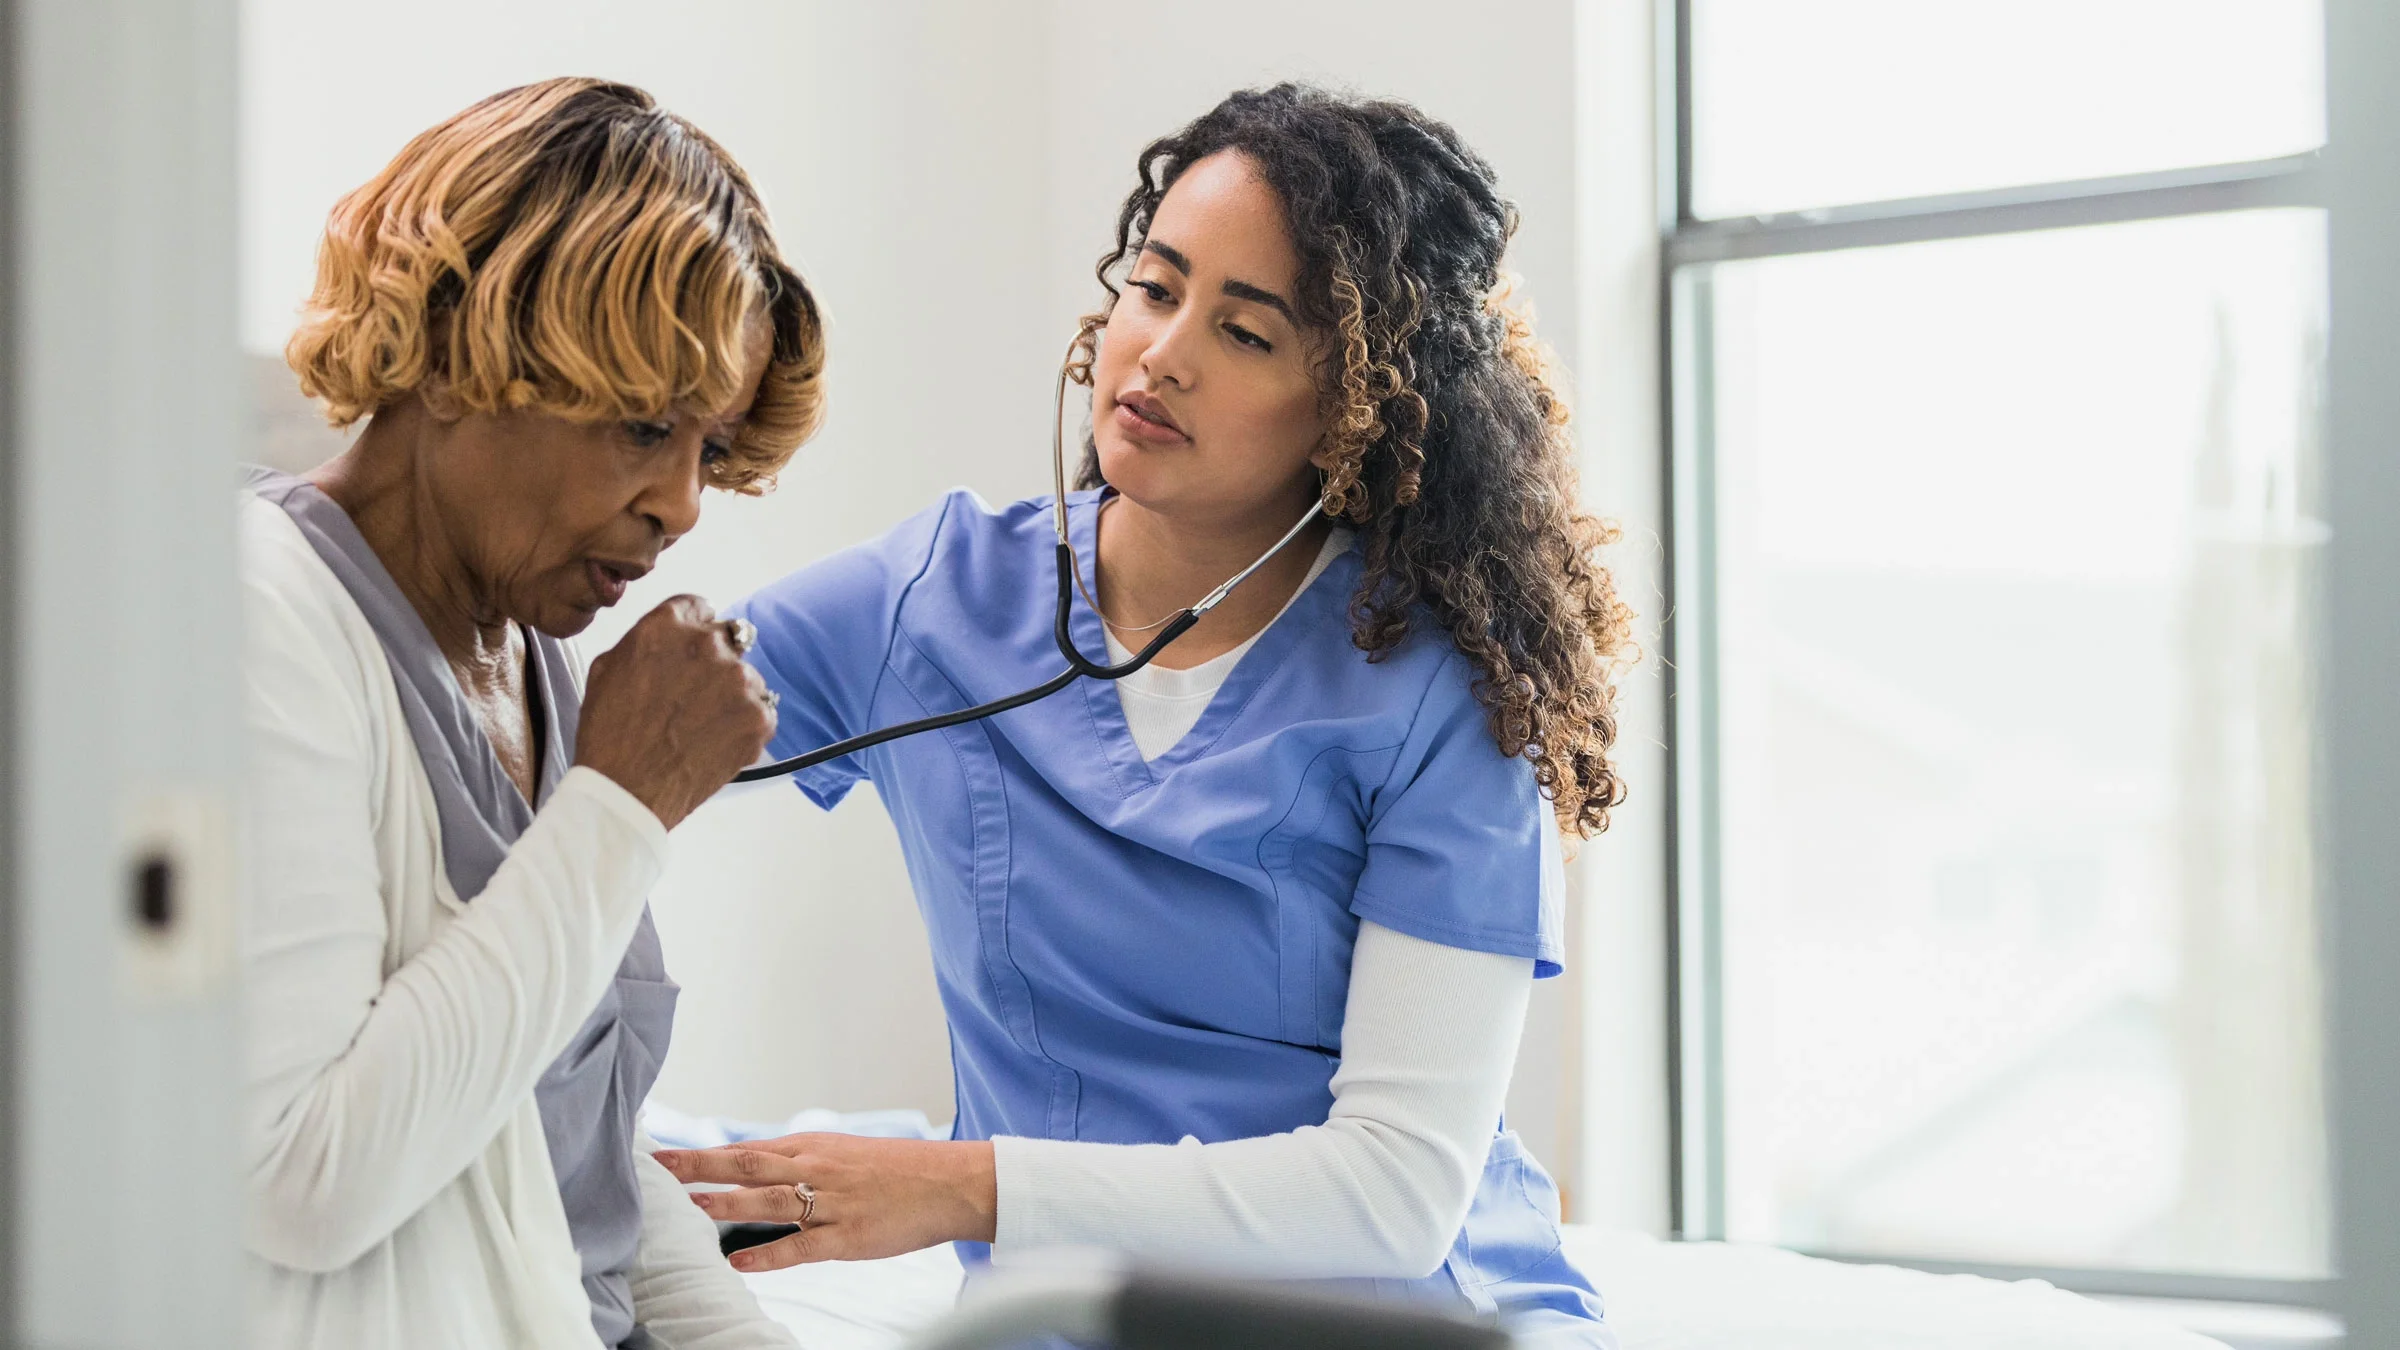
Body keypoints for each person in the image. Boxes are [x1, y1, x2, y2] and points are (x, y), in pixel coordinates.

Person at [657, 84, 1634, 1345]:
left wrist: (953, 1187)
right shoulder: (931, 596)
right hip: (1063, 1317)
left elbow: (1396, 1189)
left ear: (1359, 404)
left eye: (1246, 333)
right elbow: (608, 750)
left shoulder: (1439, 691)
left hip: (1400, 1320)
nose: (1165, 351)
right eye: (1156, 287)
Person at [241, 78, 823, 1350]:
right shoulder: (257, 616)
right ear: (457, 353)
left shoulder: (532, 656)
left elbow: (586, 1183)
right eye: (640, 429)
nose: (682, 505)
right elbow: (307, 1181)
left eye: (709, 449)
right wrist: (619, 810)